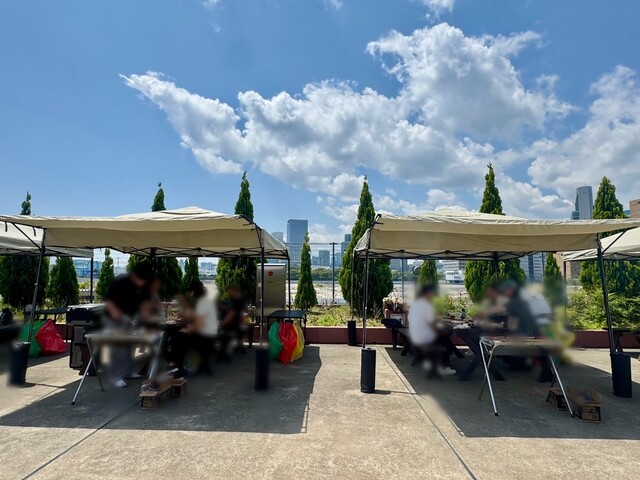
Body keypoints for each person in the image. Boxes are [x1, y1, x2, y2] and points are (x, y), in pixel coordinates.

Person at [103, 262, 154, 388]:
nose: (142, 283)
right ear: (134, 275)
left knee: (130, 345)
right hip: (112, 317)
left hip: (129, 318)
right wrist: (119, 319)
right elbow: (109, 302)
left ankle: (128, 372)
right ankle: (116, 376)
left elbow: (144, 307)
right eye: (141, 280)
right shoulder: (121, 282)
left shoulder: (144, 287)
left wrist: (144, 322)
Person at [171, 281, 219, 376]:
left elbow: (199, 324)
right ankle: (198, 365)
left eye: (189, 291)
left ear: (193, 292)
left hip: (206, 336)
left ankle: (179, 368)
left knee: (177, 339)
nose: (189, 294)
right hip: (210, 334)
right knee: (179, 335)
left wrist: (188, 330)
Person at [408, 284, 456, 376]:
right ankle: (443, 367)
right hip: (424, 337)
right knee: (447, 343)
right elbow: (432, 325)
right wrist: (440, 332)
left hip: (415, 335)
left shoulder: (415, 304)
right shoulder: (426, 305)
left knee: (444, 336)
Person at [218, 284, 247, 359]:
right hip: (237, 322)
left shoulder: (237, 300)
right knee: (235, 336)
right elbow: (231, 309)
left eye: (229, 291)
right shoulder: (237, 299)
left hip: (234, 323)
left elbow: (232, 312)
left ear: (233, 290)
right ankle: (239, 348)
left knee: (226, 337)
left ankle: (223, 355)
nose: (228, 293)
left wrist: (223, 322)